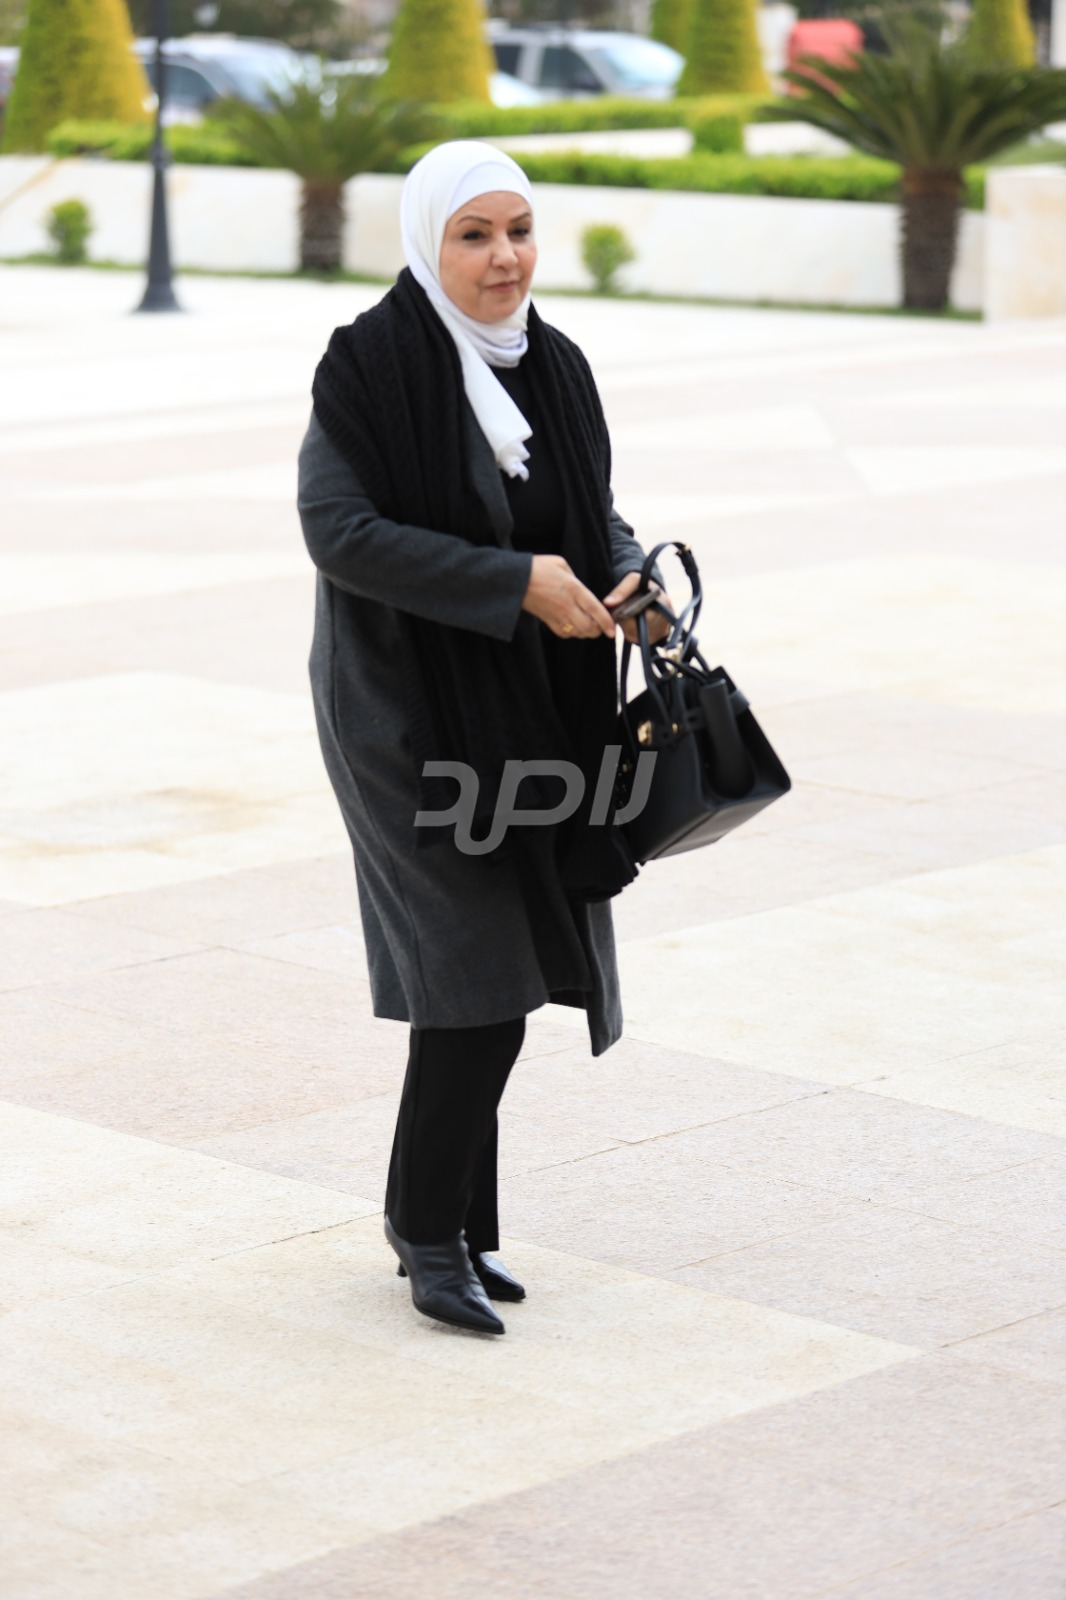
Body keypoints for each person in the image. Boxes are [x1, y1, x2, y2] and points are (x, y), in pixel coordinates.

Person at [298, 141, 668, 1338]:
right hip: (406, 718)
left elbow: (587, 506)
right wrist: (512, 584)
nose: (504, 258)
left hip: (529, 716)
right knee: (477, 981)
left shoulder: (551, 364)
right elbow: (338, 531)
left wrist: (627, 576)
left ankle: (461, 1224)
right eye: (473, 235)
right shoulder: (371, 365)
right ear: (427, 243)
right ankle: (424, 1232)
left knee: (498, 974)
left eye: (517, 230)